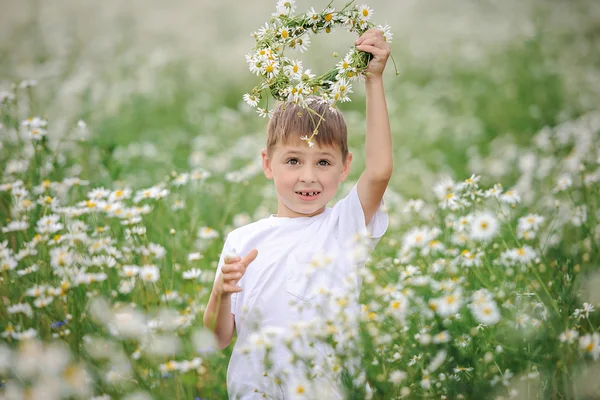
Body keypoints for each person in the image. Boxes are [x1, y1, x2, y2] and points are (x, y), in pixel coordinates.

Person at [203, 28, 392, 399]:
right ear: (267, 163)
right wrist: (221, 293)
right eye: (293, 160)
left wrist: (373, 80)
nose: (309, 177)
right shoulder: (242, 241)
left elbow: (381, 171)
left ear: (344, 166)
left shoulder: (344, 226)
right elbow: (217, 339)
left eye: (324, 161)